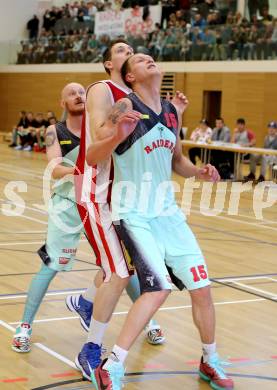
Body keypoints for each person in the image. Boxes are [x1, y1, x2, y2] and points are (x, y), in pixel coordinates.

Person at [87, 53, 234, 390]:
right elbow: (94, 154)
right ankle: (112, 365)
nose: (148, 60)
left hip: (169, 215)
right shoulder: (124, 106)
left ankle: (209, 359)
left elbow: (177, 159)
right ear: (131, 76)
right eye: (140, 60)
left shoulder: (171, 113)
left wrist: (198, 171)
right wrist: (115, 136)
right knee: (158, 289)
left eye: (151, 57)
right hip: (134, 214)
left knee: (202, 288)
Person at [70, 39, 165, 381]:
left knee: (117, 265)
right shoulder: (102, 88)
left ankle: (85, 301)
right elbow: (98, 134)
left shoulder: (141, 100)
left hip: (123, 196)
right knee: (120, 272)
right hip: (96, 190)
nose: (130, 55)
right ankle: (90, 348)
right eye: (123, 51)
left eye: (134, 52)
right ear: (110, 64)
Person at [11, 83, 92, 353]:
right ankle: (24, 326)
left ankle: (149, 321)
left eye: (82, 92)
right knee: (50, 265)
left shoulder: (99, 127)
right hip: (67, 205)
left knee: (121, 267)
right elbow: (55, 166)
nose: (79, 96)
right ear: (62, 102)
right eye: (72, 93)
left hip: (99, 205)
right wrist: (75, 172)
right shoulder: (53, 131)